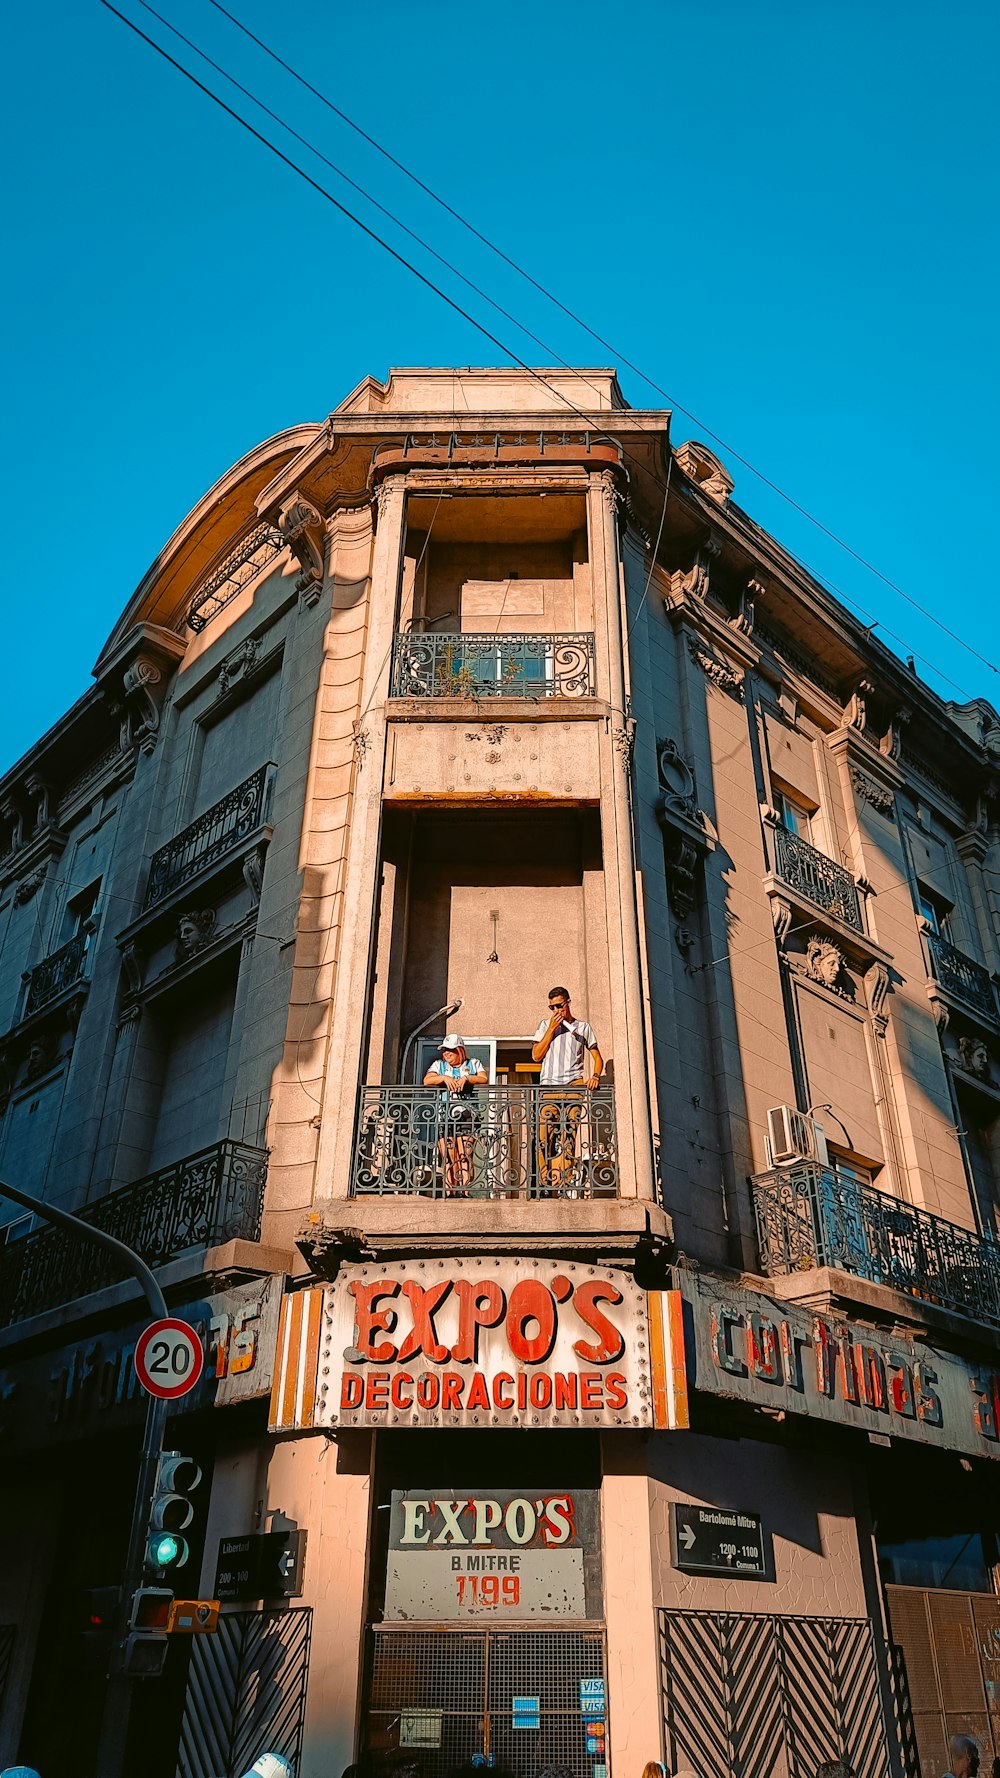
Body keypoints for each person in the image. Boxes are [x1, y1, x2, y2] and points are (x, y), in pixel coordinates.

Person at [531, 986, 603, 1192]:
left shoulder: (583, 1027)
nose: (556, 1010)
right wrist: (551, 1030)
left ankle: (563, 1181)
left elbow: (597, 1058)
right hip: (548, 1087)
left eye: (559, 1005)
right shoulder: (545, 1025)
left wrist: (595, 1077)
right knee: (544, 1137)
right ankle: (546, 1183)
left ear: (568, 1003)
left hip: (573, 1086)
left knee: (568, 1136)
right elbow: (536, 1055)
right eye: (552, 1007)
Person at [423, 1035, 487, 1195]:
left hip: (468, 1114)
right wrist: (444, 1078)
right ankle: (450, 1191)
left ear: (460, 1050)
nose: (446, 1054)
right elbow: (427, 1080)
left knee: (465, 1154)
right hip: (445, 1114)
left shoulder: (473, 1063)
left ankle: (464, 1191)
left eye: (450, 1050)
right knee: (449, 1155)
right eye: (444, 1050)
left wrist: (467, 1078)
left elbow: (483, 1078)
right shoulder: (439, 1065)